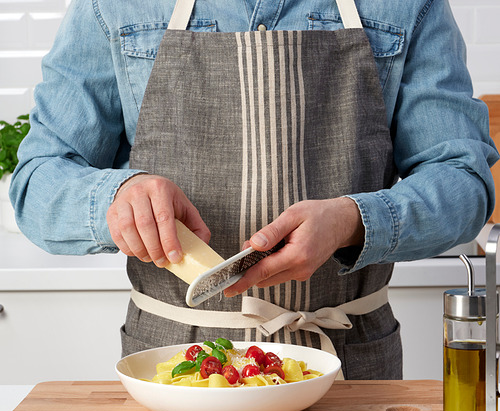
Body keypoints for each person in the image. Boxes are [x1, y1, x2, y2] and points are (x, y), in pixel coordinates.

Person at [10, 0, 498, 380]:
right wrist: (117, 198)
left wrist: (354, 219)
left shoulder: (407, 4)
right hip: (171, 369)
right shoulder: (119, 5)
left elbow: (462, 180)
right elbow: (38, 181)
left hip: (348, 367)